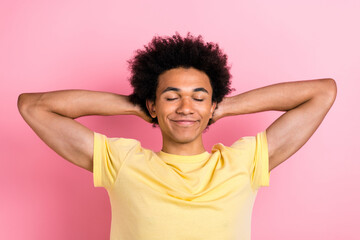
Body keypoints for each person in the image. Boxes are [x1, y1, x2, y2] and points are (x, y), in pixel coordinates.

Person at [17, 32, 337, 240]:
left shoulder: (243, 161)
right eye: (172, 97)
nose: (185, 107)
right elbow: (33, 106)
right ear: (153, 105)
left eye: (198, 97)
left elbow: (323, 92)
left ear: (212, 104)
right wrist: (135, 105)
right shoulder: (121, 161)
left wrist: (224, 107)